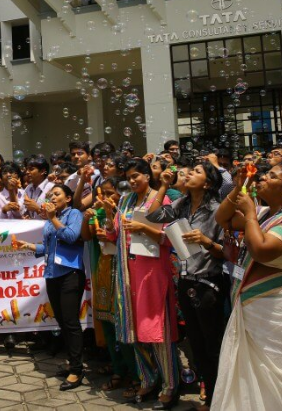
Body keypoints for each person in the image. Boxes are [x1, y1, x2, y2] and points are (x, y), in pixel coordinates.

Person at [213, 162, 282, 410]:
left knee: (277, 378)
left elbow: (263, 251)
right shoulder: (266, 215)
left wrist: (251, 215)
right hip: (254, 310)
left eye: (271, 176)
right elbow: (222, 218)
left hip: (278, 310)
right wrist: (240, 186)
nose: (263, 177)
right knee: (248, 381)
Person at [147, 162, 225, 410]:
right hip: (186, 281)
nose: (189, 173)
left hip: (208, 284)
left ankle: (217, 399)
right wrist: (164, 186)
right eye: (189, 171)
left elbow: (227, 253)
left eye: (197, 172)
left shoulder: (217, 210)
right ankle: (209, 395)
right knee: (197, 345)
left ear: (209, 183)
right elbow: (153, 216)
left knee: (213, 345)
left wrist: (205, 241)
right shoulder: (180, 205)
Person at [103, 158, 179, 408]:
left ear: (148, 176)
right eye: (129, 176)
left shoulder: (161, 199)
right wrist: (109, 214)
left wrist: (142, 228)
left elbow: (170, 238)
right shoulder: (124, 200)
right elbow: (113, 235)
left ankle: (170, 385)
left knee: (157, 329)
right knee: (134, 329)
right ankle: (148, 377)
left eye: (137, 175)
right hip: (127, 272)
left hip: (152, 271)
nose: (132, 180)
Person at [15, 185, 84, 390]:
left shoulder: (74, 214)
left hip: (70, 274)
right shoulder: (49, 219)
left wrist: (53, 218)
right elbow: (49, 247)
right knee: (62, 321)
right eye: (50, 194)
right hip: (52, 274)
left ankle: (77, 370)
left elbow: (71, 237)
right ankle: (72, 363)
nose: (52, 197)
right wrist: (28, 246)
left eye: (57, 194)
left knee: (71, 322)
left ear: (68, 198)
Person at [80, 177, 136, 394]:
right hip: (103, 271)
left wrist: (112, 233)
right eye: (100, 193)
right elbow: (86, 236)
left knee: (123, 324)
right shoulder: (98, 213)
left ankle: (135, 373)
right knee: (107, 322)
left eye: (110, 193)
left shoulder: (127, 215)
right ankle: (118, 369)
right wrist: (87, 219)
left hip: (123, 272)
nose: (104, 198)